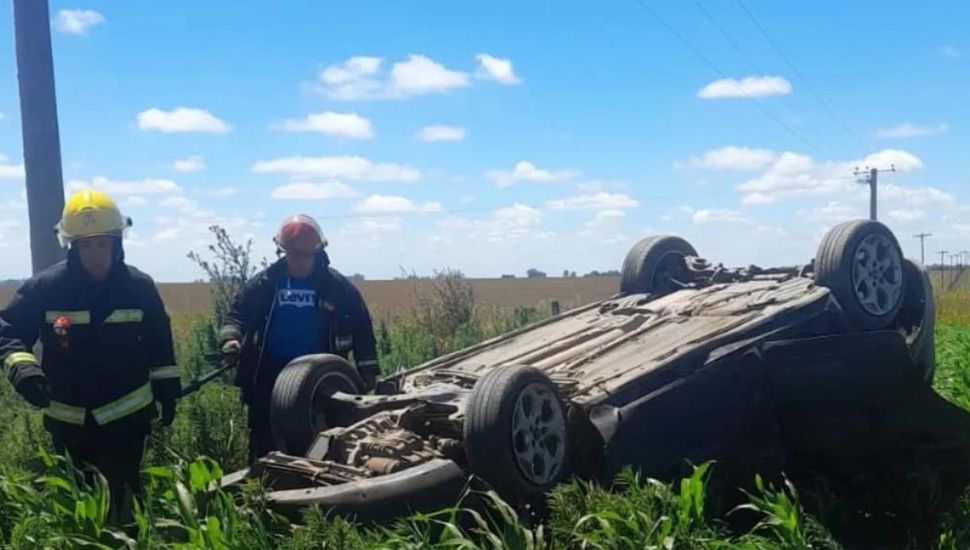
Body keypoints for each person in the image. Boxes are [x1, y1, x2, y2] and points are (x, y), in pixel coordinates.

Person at [0, 189, 180, 523]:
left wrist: (168, 389)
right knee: (80, 512)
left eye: (101, 244)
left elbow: (159, 341)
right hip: (69, 423)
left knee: (126, 509)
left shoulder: (138, 287)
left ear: (116, 243)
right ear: (72, 246)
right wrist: (23, 370)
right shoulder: (47, 287)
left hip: (128, 419)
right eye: (85, 245)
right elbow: (6, 330)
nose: (94, 255)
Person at [218, 214, 380, 462]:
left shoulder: (337, 286)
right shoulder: (265, 283)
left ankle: (320, 490)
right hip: (268, 376)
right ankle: (263, 492)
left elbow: (362, 329)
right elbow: (236, 315)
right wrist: (231, 339)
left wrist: (367, 371)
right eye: (294, 254)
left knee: (326, 441)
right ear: (282, 251)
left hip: (320, 378)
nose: (300, 261)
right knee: (265, 442)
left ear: (317, 251)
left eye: (305, 255)